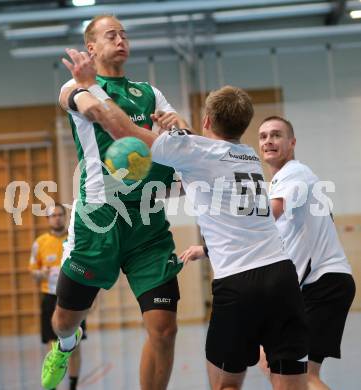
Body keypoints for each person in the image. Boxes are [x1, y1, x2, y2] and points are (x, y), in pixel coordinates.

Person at [60, 51, 310, 389]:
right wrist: (179, 132)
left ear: (206, 122)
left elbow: (121, 129)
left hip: (238, 283)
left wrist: (90, 86)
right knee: (290, 381)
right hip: (283, 275)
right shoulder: (250, 156)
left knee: (226, 384)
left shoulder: (195, 152)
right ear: (246, 126)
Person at [41, 15, 185, 390]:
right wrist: (91, 87)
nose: (121, 39)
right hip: (99, 219)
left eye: (124, 33)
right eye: (111, 35)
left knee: (165, 328)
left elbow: (181, 139)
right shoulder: (75, 86)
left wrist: (176, 125)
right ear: (91, 48)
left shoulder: (149, 93)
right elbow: (97, 115)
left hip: (148, 223)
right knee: (65, 319)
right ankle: (66, 345)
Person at [257, 116, 355, 390]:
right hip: (311, 286)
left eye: (276, 135)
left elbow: (267, 216)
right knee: (268, 360)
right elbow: (272, 239)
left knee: (304, 375)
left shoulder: (294, 173)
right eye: (263, 136)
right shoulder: (279, 182)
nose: (268, 141)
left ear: (292, 142)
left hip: (325, 284)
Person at [29, 203, 86, 390]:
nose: (57, 218)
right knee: (53, 345)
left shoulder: (74, 239)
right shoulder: (39, 243)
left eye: (61, 214)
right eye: (53, 215)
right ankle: (53, 384)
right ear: (48, 219)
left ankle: (72, 385)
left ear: (65, 216)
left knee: (74, 345)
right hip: (50, 297)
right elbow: (33, 272)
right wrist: (41, 273)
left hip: (73, 296)